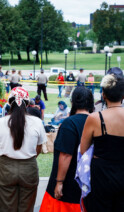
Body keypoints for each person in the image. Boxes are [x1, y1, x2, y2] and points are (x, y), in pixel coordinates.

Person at [0, 87, 46, 212]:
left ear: (9, 102)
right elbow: (39, 148)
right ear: (27, 104)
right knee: (27, 207)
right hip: (29, 167)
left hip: (5, 168)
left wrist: (7, 162)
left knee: (6, 206)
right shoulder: (37, 122)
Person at [40, 86, 94, 212]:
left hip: (68, 188)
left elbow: (65, 155)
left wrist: (59, 182)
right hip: (87, 185)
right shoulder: (96, 122)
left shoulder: (70, 123)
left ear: (73, 102)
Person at [81, 74, 124, 212]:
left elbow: (83, 150)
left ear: (103, 95)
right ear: (123, 96)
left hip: (101, 173)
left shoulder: (95, 118)